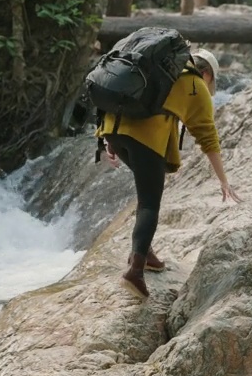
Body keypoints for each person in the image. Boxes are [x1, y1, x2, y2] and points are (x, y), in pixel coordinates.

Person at [100, 47, 241, 298]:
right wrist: (224, 181)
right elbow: (208, 137)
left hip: (114, 128)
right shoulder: (194, 84)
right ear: (206, 73)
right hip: (145, 139)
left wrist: (109, 140)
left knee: (146, 190)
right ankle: (135, 272)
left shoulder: (157, 71)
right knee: (149, 204)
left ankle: (144, 251)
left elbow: (125, 99)